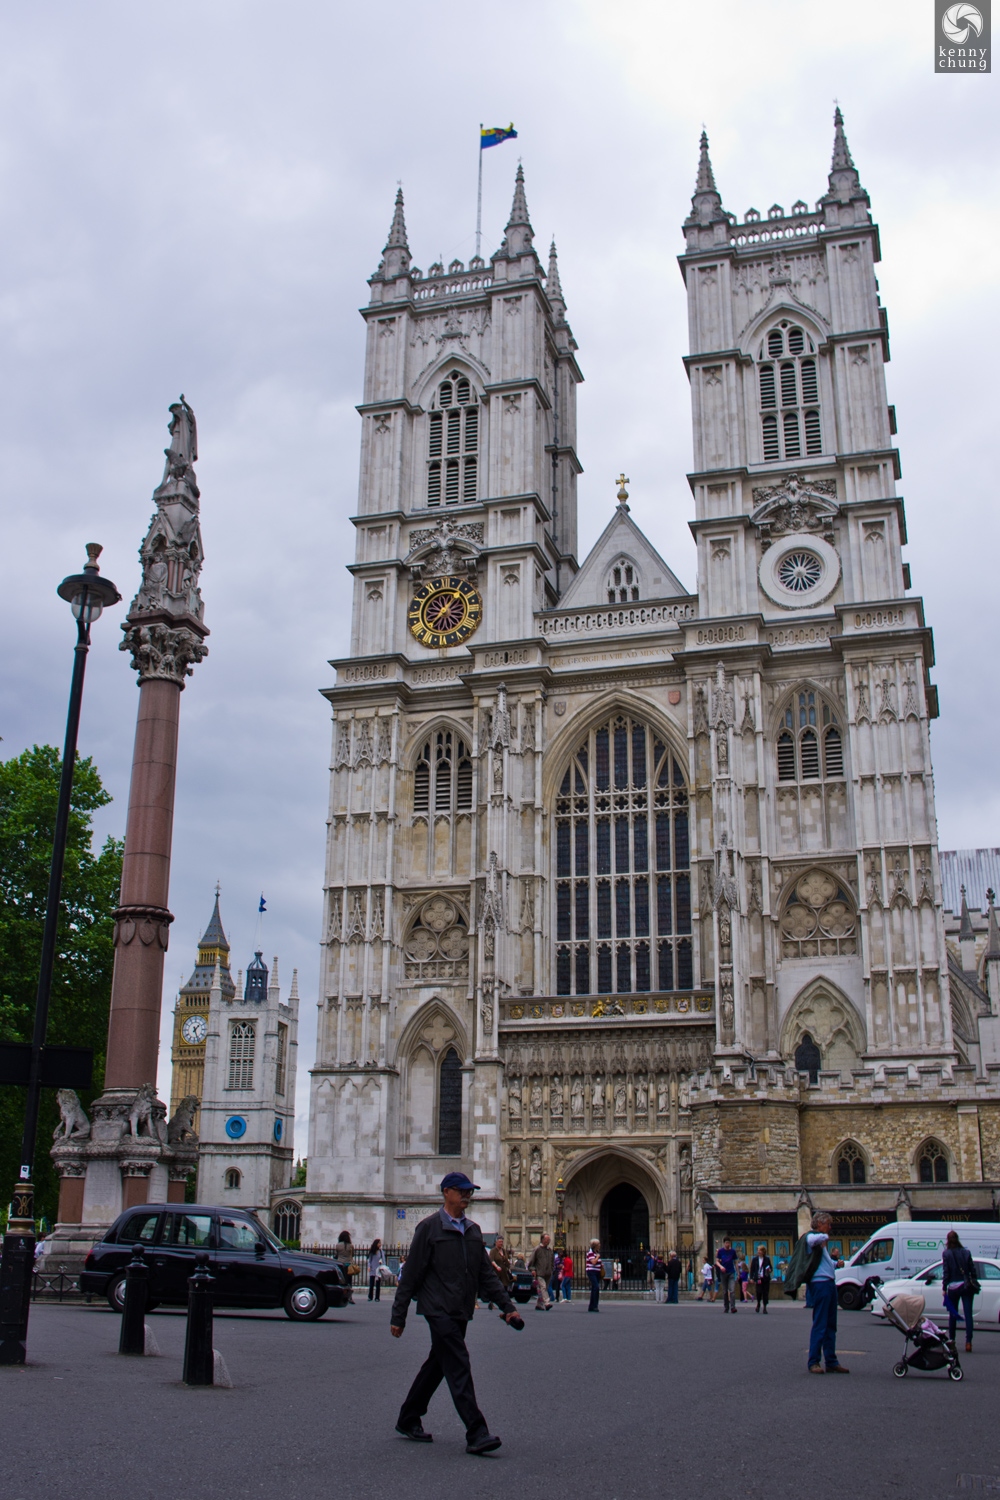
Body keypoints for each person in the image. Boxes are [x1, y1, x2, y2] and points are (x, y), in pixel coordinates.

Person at [391, 1172, 521, 1455]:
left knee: (438, 1364)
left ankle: (408, 1417)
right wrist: (398, 1316)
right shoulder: (428, 1229)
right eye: (462, 1191)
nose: (467, 1196)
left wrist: (508, 1308)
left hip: (460, 1309)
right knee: (458, 1362)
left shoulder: (473, 1231)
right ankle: (476, 1431)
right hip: (437, 1309)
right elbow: (411, 1275)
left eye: (470, 1192)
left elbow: (486, 1275)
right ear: (446, 1192)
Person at [806, 1211, 849, 1374]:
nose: (829, 1227)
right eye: (827, 1224)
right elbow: (811, 1239)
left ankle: (831, 1361)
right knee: (820, 1323)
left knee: (831, 1325)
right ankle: (813, 1361)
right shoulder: (811, 1237)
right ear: (819, 1224)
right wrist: (823, 1236)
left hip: (829, 1283)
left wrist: (835, 1264)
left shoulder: (821, 1242)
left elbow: (824, 1262)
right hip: (820, 1284)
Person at [942, 1229, 975, 1353]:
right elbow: (972, 1269)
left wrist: (944, 1288)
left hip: (953, 1287)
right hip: (966, 1286)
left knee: (952, 1315)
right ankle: (968, 1342)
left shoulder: (946, 1254)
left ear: (948, 1241)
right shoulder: (966, 1252)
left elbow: (946, 1272)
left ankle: (952, 1341)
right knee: (968, 1315)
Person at [527, 1234, 554, 1310]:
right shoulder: (537, 1249)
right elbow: (531, 1261)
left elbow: (552, 1261)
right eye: (546, 1240)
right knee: (543, 1287)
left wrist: (551, 1269)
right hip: (539, 1272)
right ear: (542, 1240)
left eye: (549, 1240)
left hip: (548, 1273)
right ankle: (547, 1303)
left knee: (544, 1289)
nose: (548, 1241)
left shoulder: (550, 1250)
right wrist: (533, 1270)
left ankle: (539, 1304)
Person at [489, 1235, 512, 1313]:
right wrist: (497, 1266)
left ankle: (504, 1303)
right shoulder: (493, 1251)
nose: (501, 1243)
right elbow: (491, 1260)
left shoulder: (504, 1251)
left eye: (502, 1242)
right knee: (495, 1287)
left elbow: (508, 1259)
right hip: (496, 1272)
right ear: (496, 1242)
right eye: (499, 1242)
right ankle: (491, 1303)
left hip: (504, 1272)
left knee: (504, 1287)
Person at [715, 1237, 738, 1314]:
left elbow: (736, 1262)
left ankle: (733, 1307)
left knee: (732, 1290)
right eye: (726, 1243)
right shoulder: (721, 1251)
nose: (728, 1245)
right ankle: (726, 1307)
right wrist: (721, 1267)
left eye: (729, 1243)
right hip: (723, 1272)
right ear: (724, 1243)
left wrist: (738, 1273)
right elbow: (717, 1262)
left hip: (731, 1272)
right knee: (725, 1291)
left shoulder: (733, 1251)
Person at [751, 1244, 772, 1314]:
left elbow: (770, 1267)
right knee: (759, 1292)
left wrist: (769, 1270)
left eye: (760, 1250)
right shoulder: (755, 1259)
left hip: (765, 1278)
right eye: (758, 1250)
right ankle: (758, 1303)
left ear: (763, 1252)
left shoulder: (767, 1259)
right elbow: (752, 1269)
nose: (759, 1252)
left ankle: (765, 1307)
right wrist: (751, 1278)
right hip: (758, 1278)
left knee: (765, 1293)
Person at [586, 1240, 603, 1312]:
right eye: (598, 1244)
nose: (600, 1245)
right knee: (596, 1287)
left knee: (594, 1288)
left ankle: (592, 1306)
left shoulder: (596, 1252)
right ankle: (594, 1305)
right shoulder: (590, 1253)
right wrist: (597, 1257)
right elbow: (593, 1262)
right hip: (591, 1271)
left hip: (597, 1271)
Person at [368, 1237, 387, 1302]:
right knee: (371, 1284)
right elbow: (369, 1260)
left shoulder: (381, 1252)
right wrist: (369, 1267)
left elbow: (383, 1260)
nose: (380, 1244)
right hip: (373, 1269)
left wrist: (383, 1267)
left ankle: (377, 1297)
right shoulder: (372, 1251)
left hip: (378, 1269)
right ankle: (370, 1297)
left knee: (378, 1284)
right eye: (379, 1243)